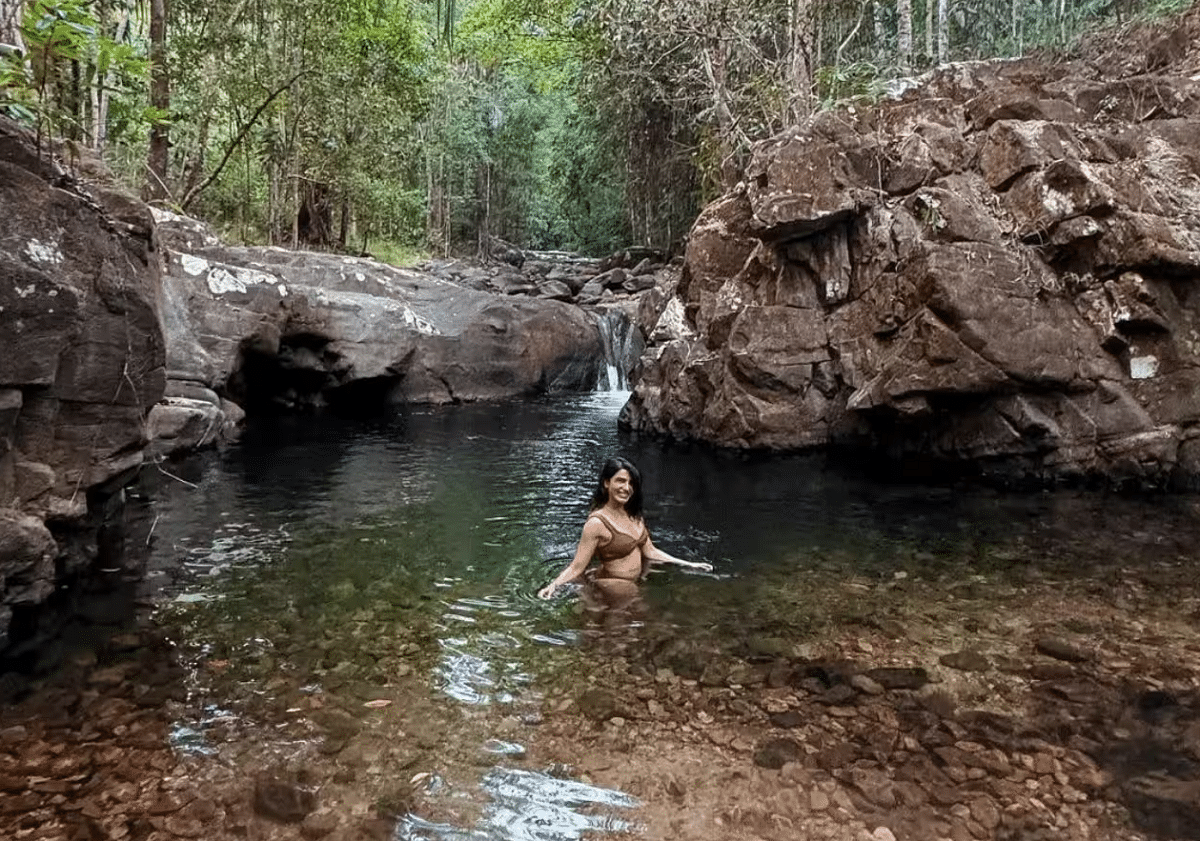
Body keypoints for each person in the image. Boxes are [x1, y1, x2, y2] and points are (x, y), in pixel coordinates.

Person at [538, 457, 712, 602]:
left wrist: (688, 564)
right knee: (636, 620)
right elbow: (577, 567)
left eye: (631, 483)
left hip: (630, 584)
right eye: (620, 481)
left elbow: (650, 551)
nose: (626, 488)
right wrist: (553, 585)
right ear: (607, 483)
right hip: (613, 583)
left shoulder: (634, 515)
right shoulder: (596, 523)